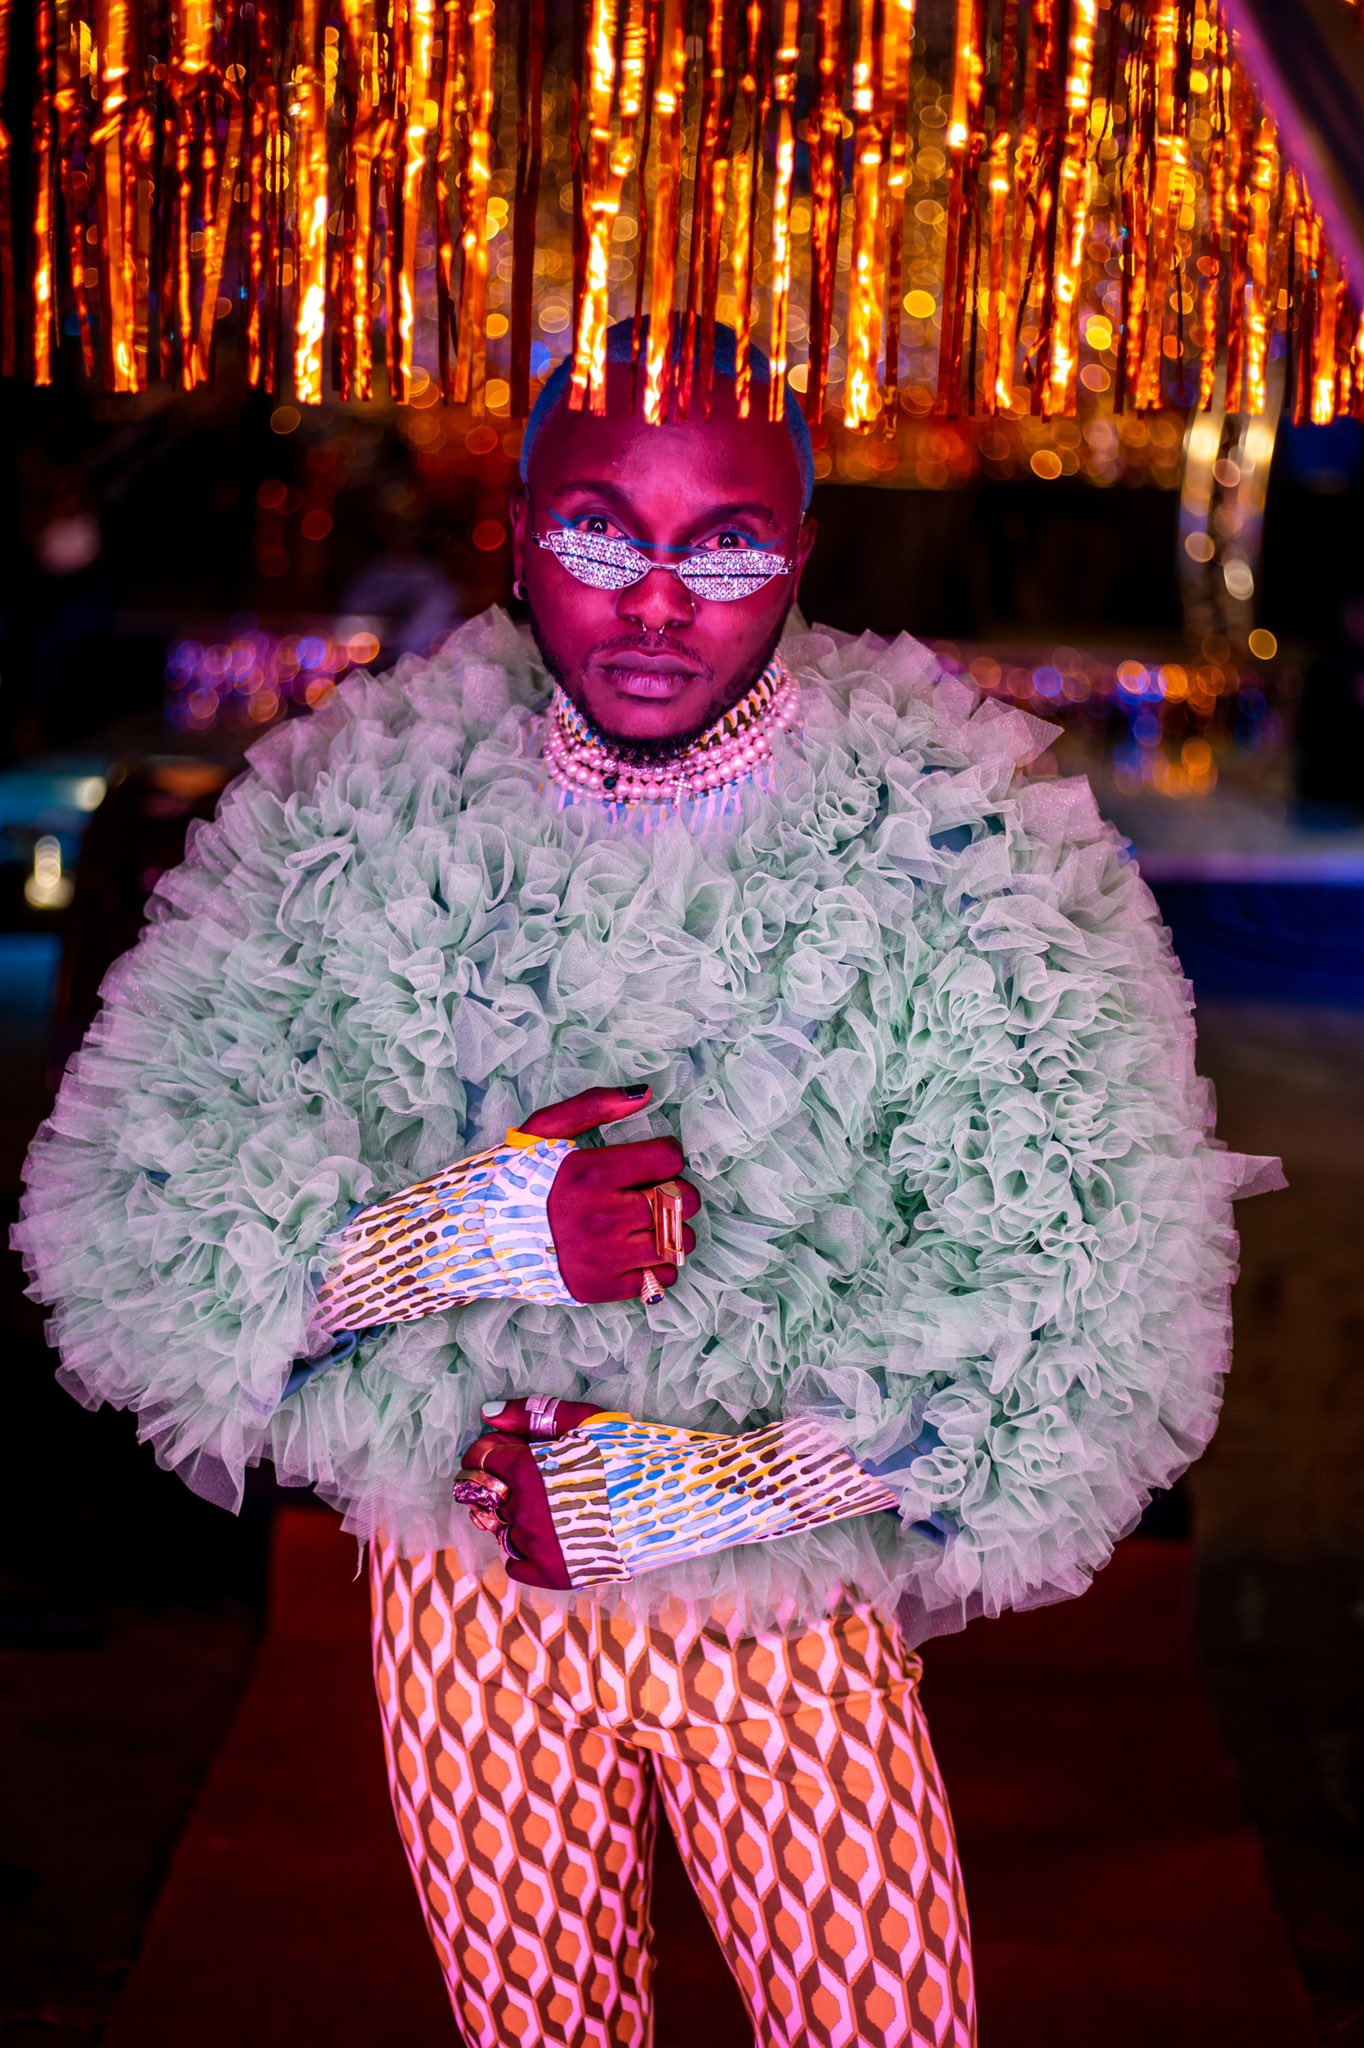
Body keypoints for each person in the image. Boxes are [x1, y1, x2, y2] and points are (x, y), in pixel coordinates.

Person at [14, 320, 1280, 2048]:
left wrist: (714, 1493)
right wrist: (471, 1232)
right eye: (603, 536)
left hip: (781, 1607)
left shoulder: (948, 832)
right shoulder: (373, 808)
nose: (660, 602)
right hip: (467, 1582)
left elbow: (1086, 1303)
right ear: (521, 530)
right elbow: (141, 1238)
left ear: (803, 553)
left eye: (726, 548)